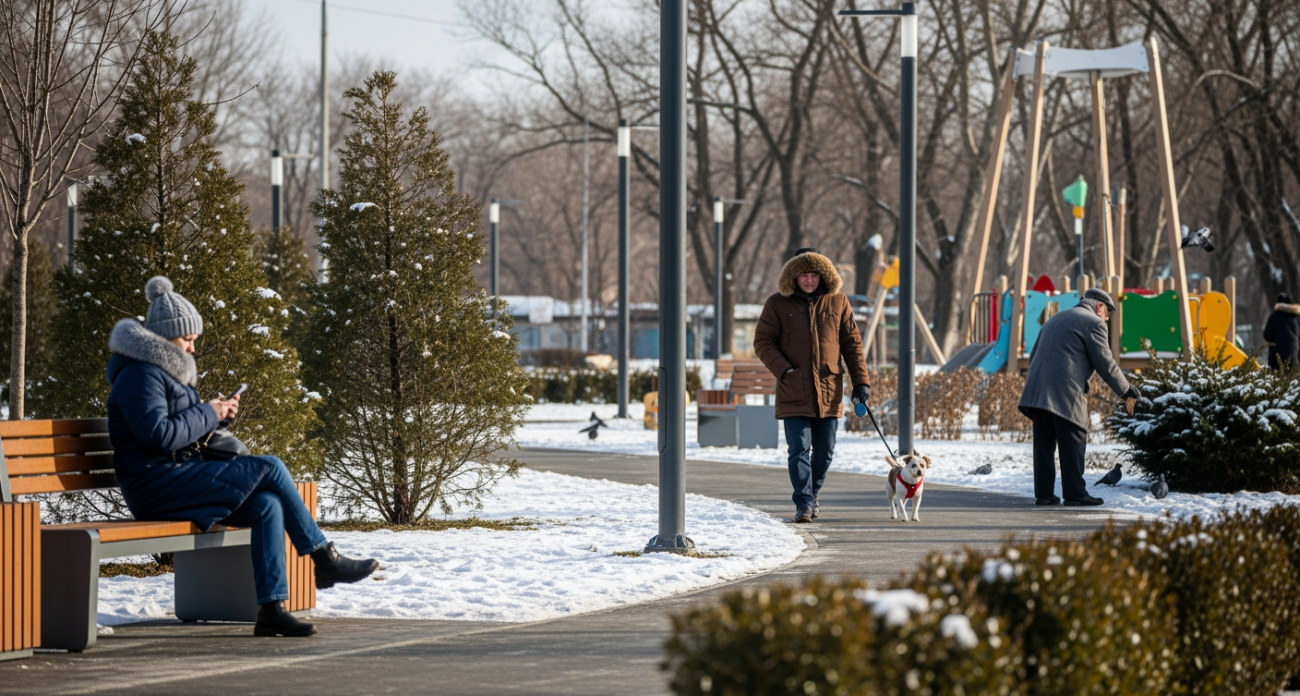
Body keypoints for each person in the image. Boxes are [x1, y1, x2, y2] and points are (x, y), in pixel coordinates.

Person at [106, 276, 378, 637]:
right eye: (186, 339)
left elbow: (178, 432)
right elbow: (158, 436)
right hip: (156, 485)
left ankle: (271, 610)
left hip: (178, 478)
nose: (191, 348)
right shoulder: (140, 375)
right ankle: (323, 558)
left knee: (267, 504)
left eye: (193, 341)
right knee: (270, 466)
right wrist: (209, 412)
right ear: (163, 337)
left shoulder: (163, 374)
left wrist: (216, 414)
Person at [754, 247, 870, 523]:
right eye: (803, 274)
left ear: (823, 275)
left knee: (826, 451)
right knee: (798, 449)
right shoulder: (777, 303)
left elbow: (852, 345)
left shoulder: (839, 302)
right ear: (793, 275)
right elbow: (762, 342)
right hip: (793, 388)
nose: (809, 280)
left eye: (814, 274)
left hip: (829, 391)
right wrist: (785, 370)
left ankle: (813, 492)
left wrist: (861, 382)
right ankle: (804, 502)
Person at [1018, 287, 1138, 507]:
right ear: (1099, 307)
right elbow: (1106, 363)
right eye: (1107, 315)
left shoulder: (1055, 318)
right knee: (1074, 437)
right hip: (1064, 390)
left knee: (1044, 443)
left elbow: (1034, 355)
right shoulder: (1093, 323)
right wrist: (1126, 390)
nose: (1106, 320)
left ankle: (1044, 494)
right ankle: (1075, 493)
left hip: (1037, 389)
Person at [1263, 293, 1300, 369]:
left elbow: (1267, 335)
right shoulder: (1297, 318)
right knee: (1292, 379)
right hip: (1293, 356)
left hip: (1276, 358)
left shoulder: (1274, 316)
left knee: (1276, 379)